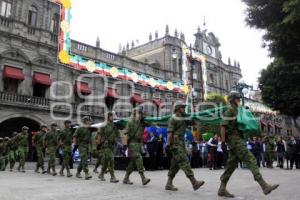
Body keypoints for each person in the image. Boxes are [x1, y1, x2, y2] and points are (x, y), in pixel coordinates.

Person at [218, 91, 279, 198]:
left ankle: (222, 189)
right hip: (234, 141)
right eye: (237, 98)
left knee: (231, 166)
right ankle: (264, 186)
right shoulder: (229, 111)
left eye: (239, 98)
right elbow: (223, 126)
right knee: (251, 159)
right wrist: (223, 141)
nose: (239, 100)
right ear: (232, 99)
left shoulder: (238, 111)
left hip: (238, 140)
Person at [165, 102, 205, 191]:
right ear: (178, 108)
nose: (184, 109)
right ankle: (194, 182)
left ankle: (168, 183)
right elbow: (170, 132)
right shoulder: (173, 118)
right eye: (183, 107)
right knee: (184, 160)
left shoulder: (184, 118)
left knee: (175, 165)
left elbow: (193, 122)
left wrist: (192, 116)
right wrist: (168, 144)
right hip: (175, 143)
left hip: (181, 143)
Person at [123, 108, 151, 185]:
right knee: (139, 158)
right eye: (139, 114)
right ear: (135, 114)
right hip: (132, 143)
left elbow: (151, 123)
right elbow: (125, 133)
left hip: (139, 144)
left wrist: (145, 119)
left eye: (141, 114)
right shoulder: (130, 122)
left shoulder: (142, 123)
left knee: (133, 162)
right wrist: (125, 145)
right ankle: (143, 178)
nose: (141, 115)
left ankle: (126, 178)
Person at [97, 112, 119, 183]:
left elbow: (117, 134)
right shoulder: (104, 125)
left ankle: (101, 174)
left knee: (106, 162)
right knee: (111, 159)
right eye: (112, 116)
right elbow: (99, 134)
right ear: (108, 117)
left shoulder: (114, 125)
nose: (113, 117)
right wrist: (99, 143)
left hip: (112, 145)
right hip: (105, 145)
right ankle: (112, 177)